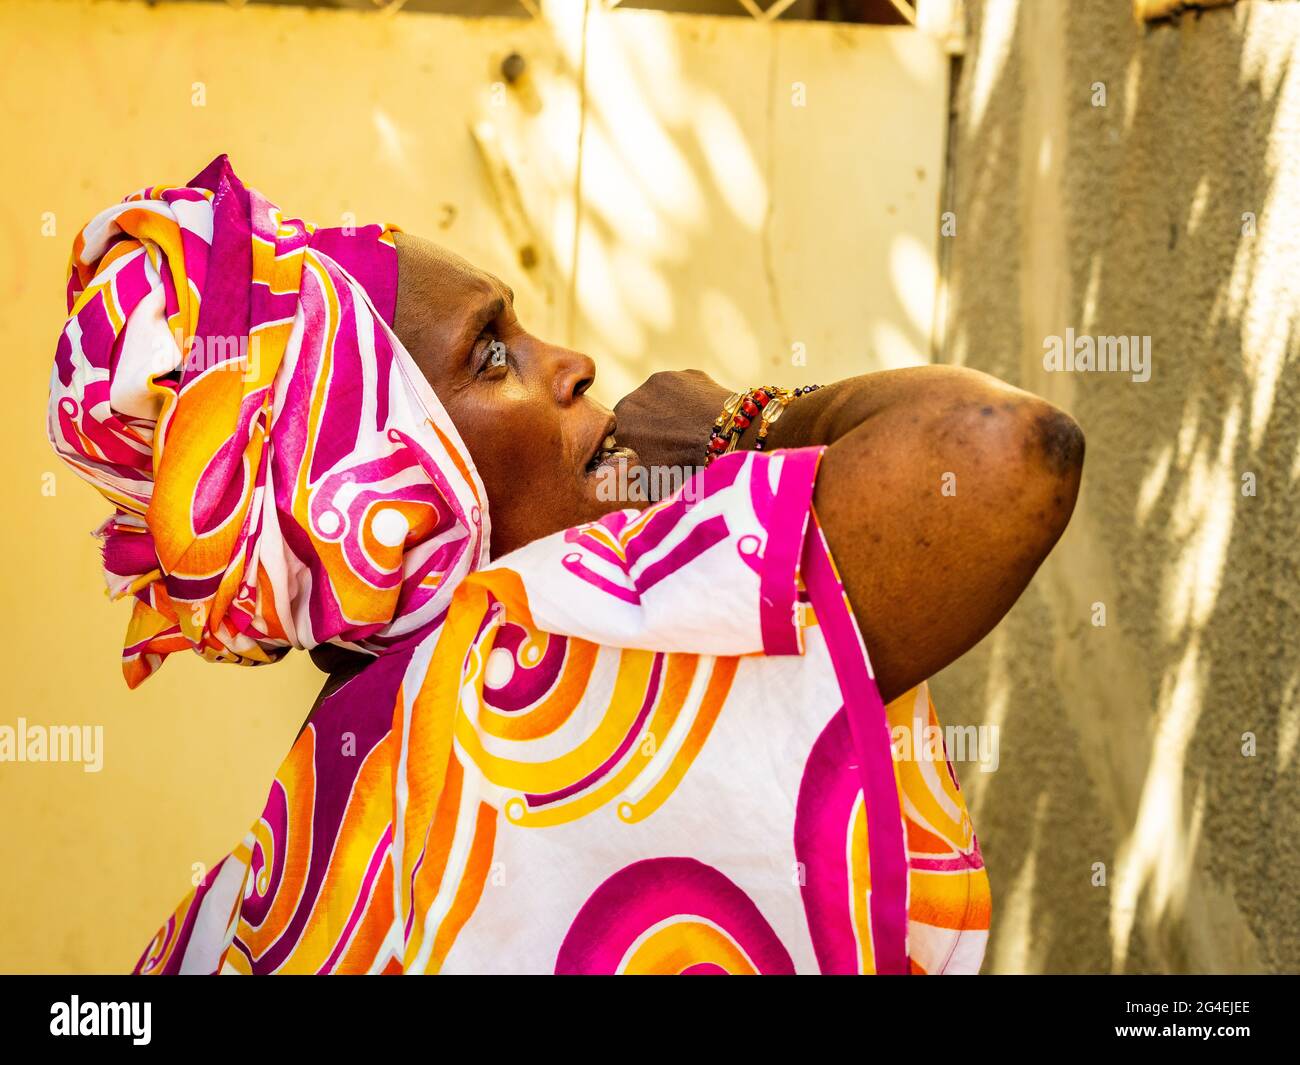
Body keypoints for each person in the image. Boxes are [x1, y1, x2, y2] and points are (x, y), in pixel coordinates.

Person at [50, 157, 1082, 975]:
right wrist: (737, 423)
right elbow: (997, 450)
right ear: (384, 492)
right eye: (490, 353)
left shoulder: (313, 823)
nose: (571, 363)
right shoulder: (522, 677)